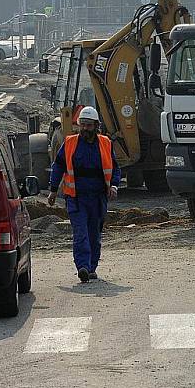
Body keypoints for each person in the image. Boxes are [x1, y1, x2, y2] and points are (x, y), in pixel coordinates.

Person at [48, 106, 121, 283]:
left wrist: (114, 186)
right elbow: (58, 165)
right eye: (83, 125)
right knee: (81, 232)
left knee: (94, 234)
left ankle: (91, 267)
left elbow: (115, 167)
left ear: (96, 126)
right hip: (76, 198)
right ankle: (82, 266)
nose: (85, 129)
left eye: (89, 125)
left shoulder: (105, 143)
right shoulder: (70, 143)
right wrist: (52, 189)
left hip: (97, 198)